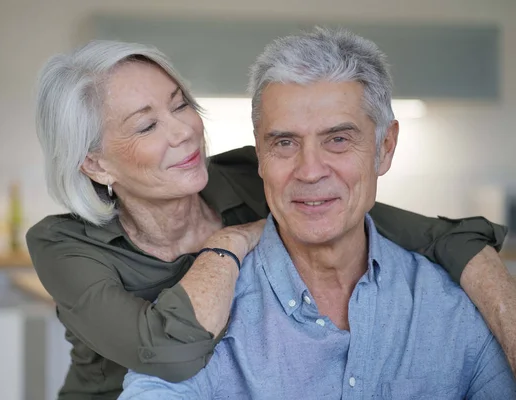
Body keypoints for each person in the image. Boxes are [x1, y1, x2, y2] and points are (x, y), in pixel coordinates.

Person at [26, 39, 515, 399]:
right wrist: (231, 243)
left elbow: (400, 224)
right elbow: (166, 355)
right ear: (95, 163)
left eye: (181, 106)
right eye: (148, 125)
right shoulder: (64, 244)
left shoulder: (246, 177)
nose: (184, 132)